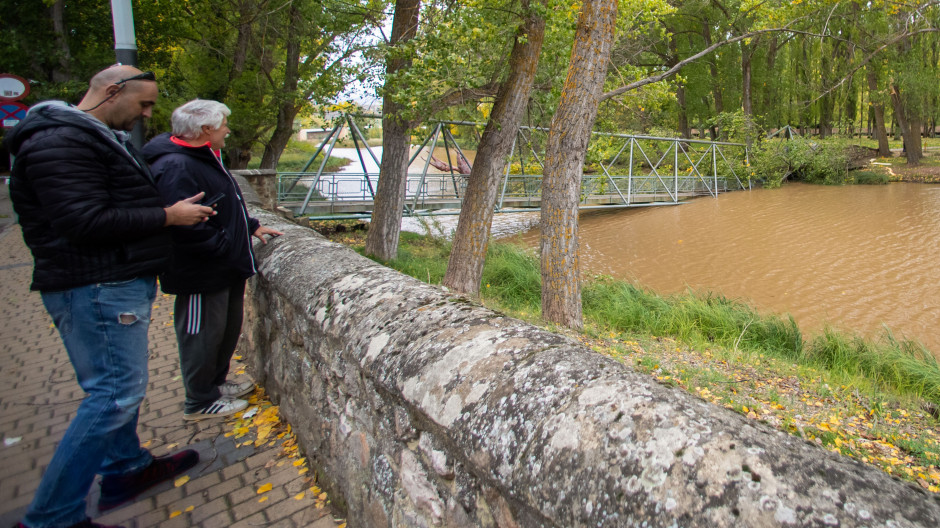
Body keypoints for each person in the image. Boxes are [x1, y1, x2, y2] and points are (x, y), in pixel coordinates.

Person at [5, 65, 216, 528]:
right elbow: (82, 221)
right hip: (95, 284)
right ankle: (50, 517)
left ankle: (126, 469)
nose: (147, 113)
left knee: (118, 389)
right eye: (142, 104)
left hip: (109, 279)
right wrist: (167, 217)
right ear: (111, 91)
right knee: (114, 395)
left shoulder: (87, 137)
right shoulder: (59, 141)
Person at [142, 99, 282, 421]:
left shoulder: (200, 157)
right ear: (205, 130)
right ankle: (200, 400)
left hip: (222, 266)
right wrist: (221, 247)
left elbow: (222, 203)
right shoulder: (176, 166)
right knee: (201, 335)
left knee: (223, 331)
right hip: (201, 271)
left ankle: (215, 384)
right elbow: (184, 226)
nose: (228, 131)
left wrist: (250, 226)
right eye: (222, 126)